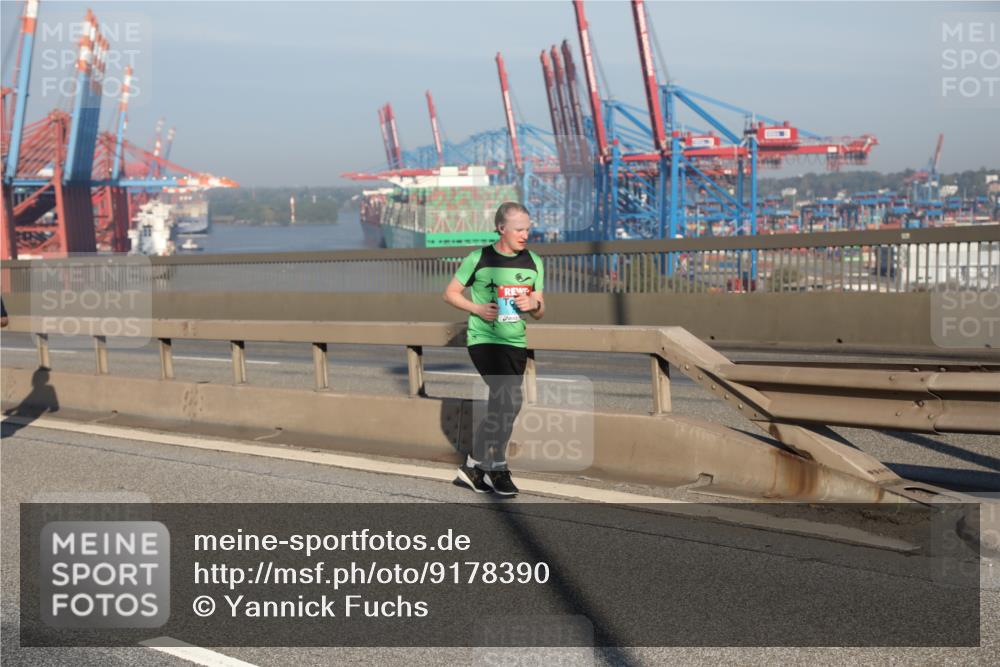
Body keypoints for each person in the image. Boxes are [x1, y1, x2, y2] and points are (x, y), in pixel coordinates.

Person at [442, 202, 545, 496]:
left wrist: (534, 304)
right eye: (519, 230)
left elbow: (540, 308)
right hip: (484, 340)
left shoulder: (534, 262)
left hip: (515, 342)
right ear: (502, 229)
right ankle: (496, 469)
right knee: (509, 399)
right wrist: (476, 307)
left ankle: (474, 466)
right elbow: (449, 293)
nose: (525, 234)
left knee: (507, 405)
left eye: (528, 228)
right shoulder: (480, 258)